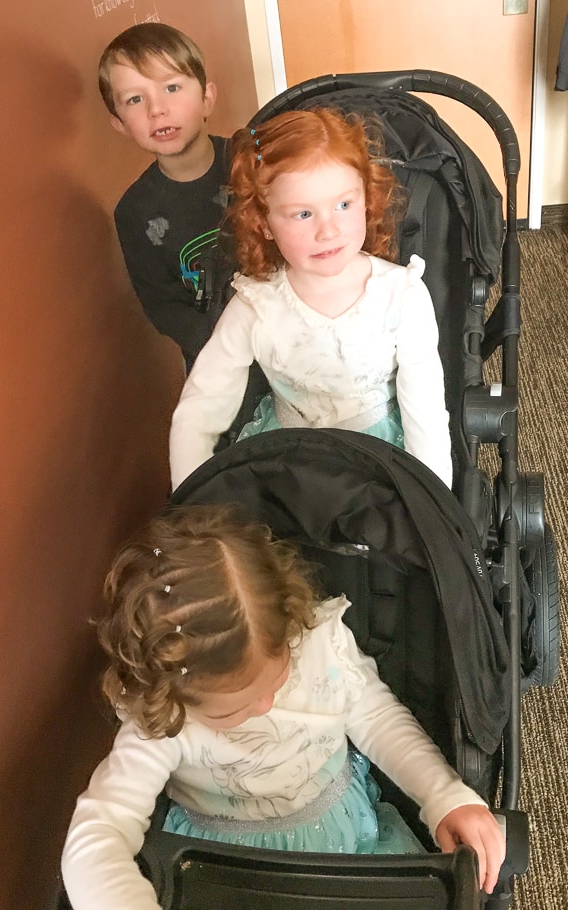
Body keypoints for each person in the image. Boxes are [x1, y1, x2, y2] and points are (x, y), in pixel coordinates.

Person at [61, 504, 505, 910]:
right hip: (223, 871)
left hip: (346, 851)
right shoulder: (163, 716)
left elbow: (377, 718)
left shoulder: (319, 646)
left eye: (276, 678)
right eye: (232, 710)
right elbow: (99, 832)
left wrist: (443, 796)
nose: (267, 703)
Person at [168, 108, 453, 492]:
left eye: (344, 205)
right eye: (303, 213)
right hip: (285, 458)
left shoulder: (400, 295)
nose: (328, 230)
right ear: (265, 224)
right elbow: (202, 406)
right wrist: (192, 496)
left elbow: (426, 415)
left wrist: (434, 504)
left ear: (366, 200)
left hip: (379, 460)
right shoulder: (256, 304)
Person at [98, 23, 231, 372]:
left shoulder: (253, 164)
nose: (156, 109)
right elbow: (162, 303)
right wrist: (221, 345)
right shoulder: (134, 211)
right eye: (135, 99)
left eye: (172, 87)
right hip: (216, 357)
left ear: (207, 98)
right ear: (120, 123)